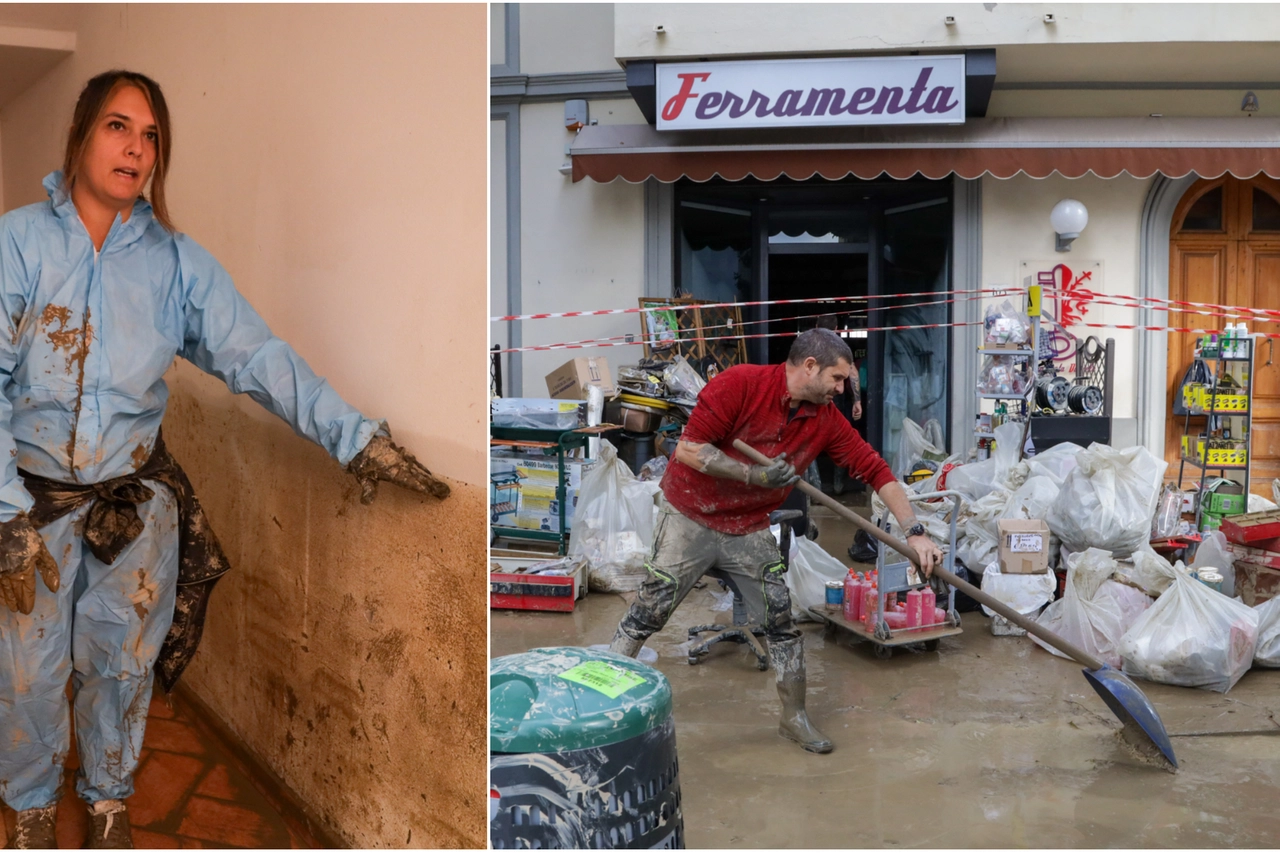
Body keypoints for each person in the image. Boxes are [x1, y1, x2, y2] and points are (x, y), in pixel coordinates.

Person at [0, 71, 447, 849]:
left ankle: (107, 795)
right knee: (28, 671)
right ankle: (33, 800)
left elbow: (256, 356)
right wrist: (4, 510)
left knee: (119, 664)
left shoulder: (177, 263)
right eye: (118, 127)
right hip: (29, 504)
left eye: (151, 137)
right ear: (79, 136)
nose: (135, 148)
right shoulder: (18, 244)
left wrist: (356, 438)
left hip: (135, 508)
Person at [607, 328, 942, 754]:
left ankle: (794, 717)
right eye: (837, 379)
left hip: (747, 527)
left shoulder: (824, 420)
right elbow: (690, 450)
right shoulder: (740, 385)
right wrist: (753, 474)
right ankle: (600, 704)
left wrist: (915, 531)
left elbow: (876, 471)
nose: (842, 390)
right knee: (649, 611)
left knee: (781, 620)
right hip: (691, 515)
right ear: (809, 366)